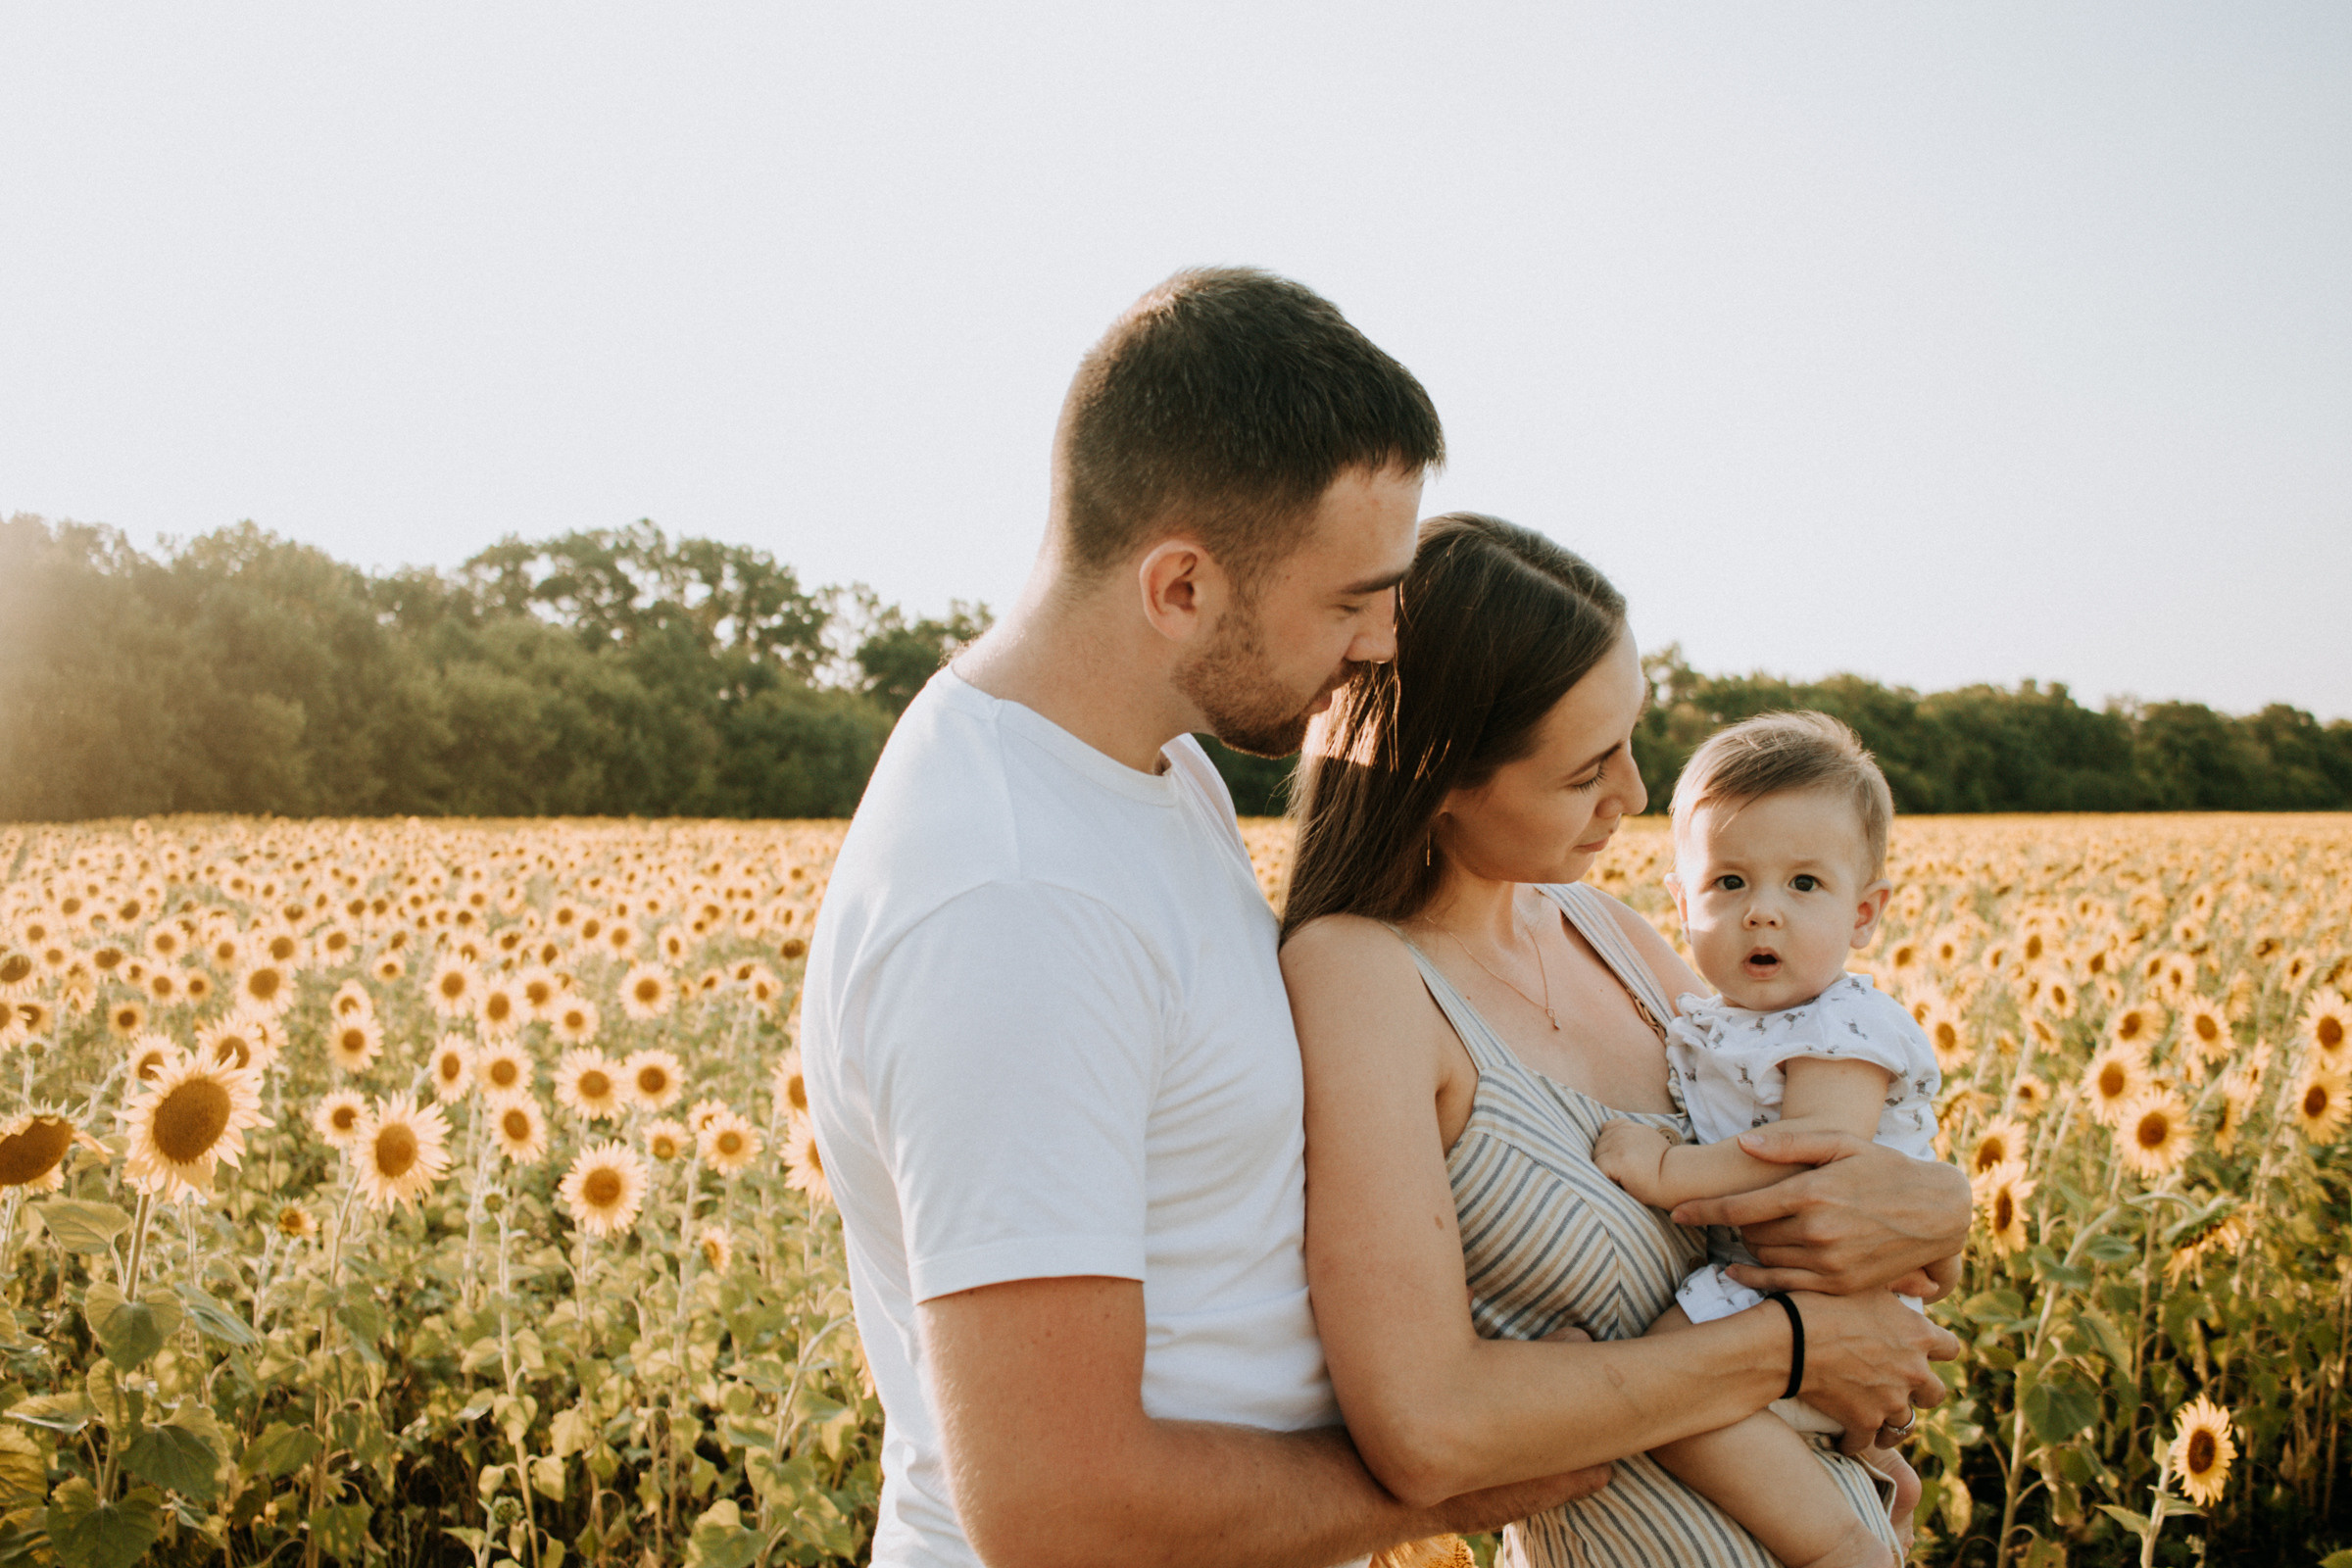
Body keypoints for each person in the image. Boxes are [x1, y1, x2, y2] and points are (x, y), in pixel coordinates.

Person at [801, 269, 1612, 1568]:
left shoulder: (1151, 766)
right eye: (1351, 600)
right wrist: (1453, 1479)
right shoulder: (1014, 907)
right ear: (1179, 587)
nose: (1384, 643)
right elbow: (1060, 1512)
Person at [1279, 514, 1970, 1567]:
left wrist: (1942, 1208)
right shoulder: (1363, 975)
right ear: (1441, 773)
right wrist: (1793, 1350)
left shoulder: (1608, 932)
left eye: (1633, 738)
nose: (1636, 796)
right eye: (1585, 771)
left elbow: (1817, 1165)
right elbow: (1426, 1428)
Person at [1591, 710, 1946, 1568]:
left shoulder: (1843, 1025)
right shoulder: (1718, 1023)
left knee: (1663, 1389)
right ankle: (1879, 1478)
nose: (1763, 914)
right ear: (1682, 904)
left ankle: (1836, 1547)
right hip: (1769, 1281)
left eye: (1805, 885)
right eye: (1730, 883)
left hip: (1828, 1291)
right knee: (1679, 1386)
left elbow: (1808, 1156)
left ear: (1865, 913)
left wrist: (1664, 1169)